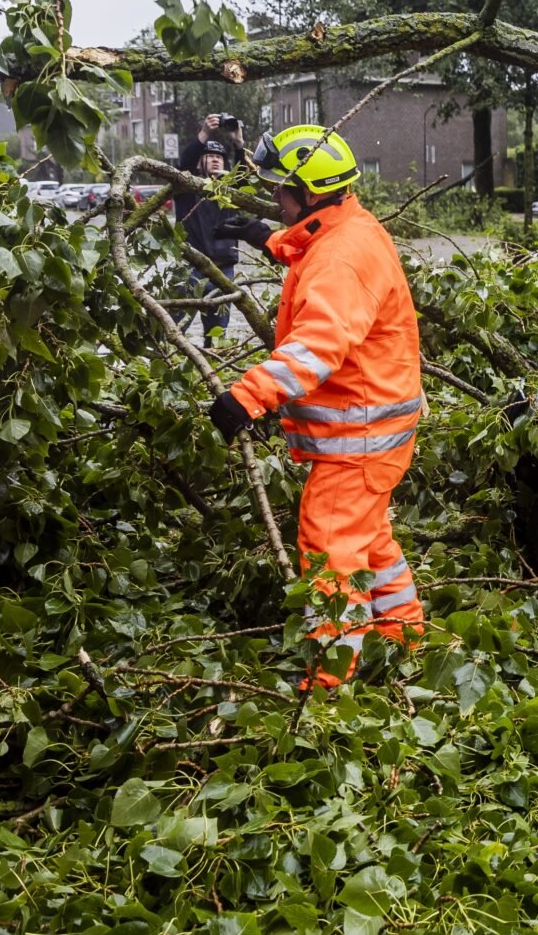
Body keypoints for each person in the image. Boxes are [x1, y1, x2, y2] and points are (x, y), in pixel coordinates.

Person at [205, 124, 427, 685]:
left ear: (307, 193)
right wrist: (268, 238)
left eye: (280, 189)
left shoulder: (341, 258)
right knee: (368, 539)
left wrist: (245, 398)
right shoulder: (346, 227)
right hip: (378, 426)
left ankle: (330, 679)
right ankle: (403, 632)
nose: (274, 196)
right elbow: (318, 254)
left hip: (358, 437)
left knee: (330, 552)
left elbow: (319, 345)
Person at [172, 139, 246, 342]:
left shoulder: (230, 191)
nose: (216, 160)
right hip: (190, 268)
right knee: (175, 328)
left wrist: (239, 145)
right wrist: (202, 135)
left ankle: (213, 366)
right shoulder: (186, 188)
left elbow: (246, 179)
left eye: (219, 157)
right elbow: (183, 165)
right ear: (198, 162)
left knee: (217, 334)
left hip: (223, 269)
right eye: (210, 156)